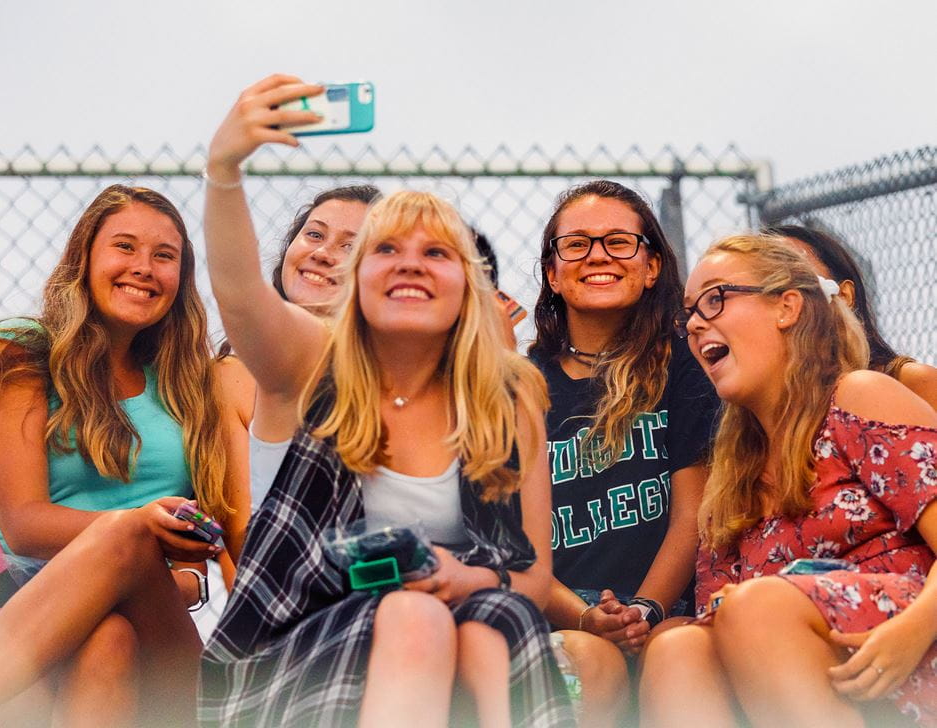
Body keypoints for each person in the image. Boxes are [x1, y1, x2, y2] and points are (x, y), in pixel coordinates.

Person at [198, 74, 574, 727]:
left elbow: (533, 578)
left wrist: (466, 579)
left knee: (497, 617)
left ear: (468, 286)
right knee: (414, 613)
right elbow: (238, 290)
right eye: (386, 250)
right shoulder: (309, 362)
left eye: (436, 252)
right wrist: (224, 169)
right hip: (300, 640)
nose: (411, 264)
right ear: (357, 283)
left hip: (459, 619)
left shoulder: (507, 397)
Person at [0, 185, 248, 727]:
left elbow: (194, 570)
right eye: (125, 247)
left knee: (126, 581)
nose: (144, 267)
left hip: (161, 629)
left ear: (181, 279)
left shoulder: (186, 387)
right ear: (85, 257)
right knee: (110, 636)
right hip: (21, 605)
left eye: (164, 256)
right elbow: (23, 525)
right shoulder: (18, 350)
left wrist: (155, 564)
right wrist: (137, 531)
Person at [640, 234, 937, 727]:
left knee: (759, 605)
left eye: (715, 299)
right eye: (688, 313)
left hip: (910, 646)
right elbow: (718, 612)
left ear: (787, 307)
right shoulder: (729, 479)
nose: (694, 324)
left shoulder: (860, 396)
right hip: (796, 674)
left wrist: (913, 631)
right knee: (678, 647)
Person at [528, 180, 718, 725]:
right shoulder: (521, 383)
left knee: (675, 649)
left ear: (652, 266)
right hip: (564, 610)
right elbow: (520, 541)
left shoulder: (685, 365)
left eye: (618, 242)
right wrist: (589, 618)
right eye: (577, 244)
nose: (597, 257)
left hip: (666, 604)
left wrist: (644, 611)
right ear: (553, 274)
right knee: (586, 659)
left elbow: (691, 514)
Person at [217, 183, 380, 515]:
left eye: (350, 246)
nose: (322, 253)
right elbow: (239, 521)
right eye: (315, 235)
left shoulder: (397, 374)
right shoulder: (235, 373)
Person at [768, 223, 937, 410]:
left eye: (792, 276)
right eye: (767, 285)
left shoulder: (914, 383)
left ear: (843, 295)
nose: (785, 300)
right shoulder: (758, 414)